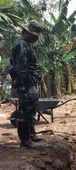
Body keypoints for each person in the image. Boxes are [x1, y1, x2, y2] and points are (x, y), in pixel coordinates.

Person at [11, 20, 44, 148]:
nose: (36, 38)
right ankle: (25, 141)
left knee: (30, 108)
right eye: (35, 36)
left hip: (28, 82)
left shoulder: (25, 44)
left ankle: (31, 135)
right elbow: (22, 68)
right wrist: (29, 84)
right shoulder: (21, 45)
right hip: (25, 83)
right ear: (28, 33)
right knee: (26, 109)